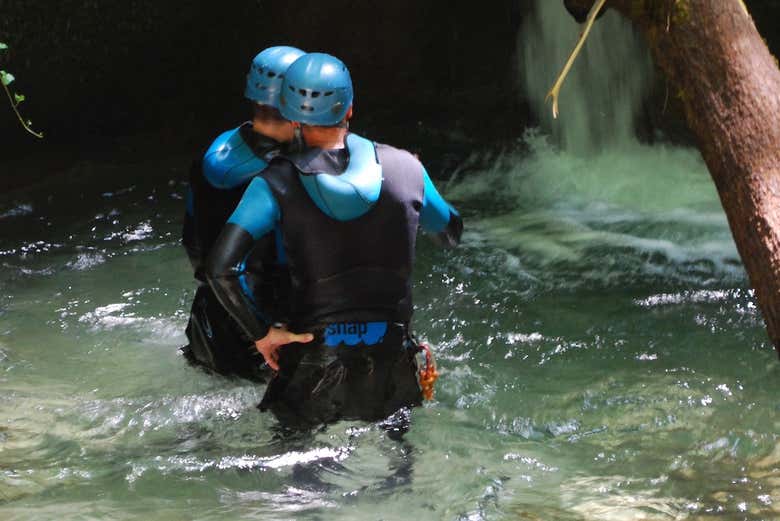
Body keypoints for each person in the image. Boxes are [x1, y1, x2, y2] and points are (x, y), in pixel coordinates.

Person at [206, 52, 462, 429]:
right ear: (350, 109)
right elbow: (451, 233)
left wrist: (263, 335)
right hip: (393, 366)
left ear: (292, 116)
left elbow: (220, 269)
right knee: (399, 472)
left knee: (301, 477)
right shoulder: (408, 167)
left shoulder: (274, 182)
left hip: (314, 366)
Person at [181, 45, 305, 380]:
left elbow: (194, 247)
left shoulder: (216, 151)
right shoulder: (290, 175)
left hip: (208, 323)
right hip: (267, 336)